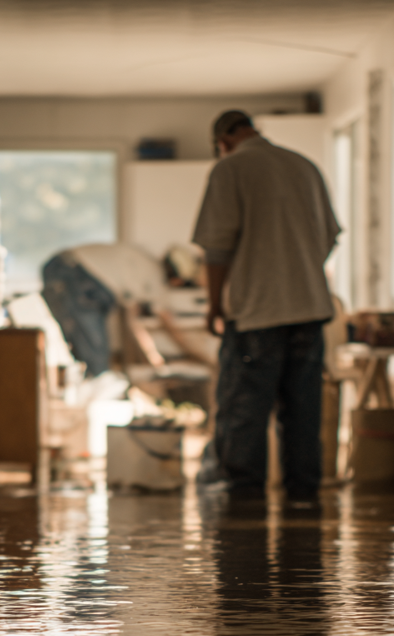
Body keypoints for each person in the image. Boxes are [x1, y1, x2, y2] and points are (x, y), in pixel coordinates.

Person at [192, 109, 341, 504]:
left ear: (222, 141)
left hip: (256, 312)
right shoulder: (304, 166)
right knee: (303, 410)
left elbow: (217, 248)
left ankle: (244, 501)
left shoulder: (230, 169)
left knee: (244, 411)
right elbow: (328, 239)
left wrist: (213, 305)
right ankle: (303, 497)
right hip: (308, 308)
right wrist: (296, 274)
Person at [42, 242, 168, 376]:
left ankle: (85, 387)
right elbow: (140, 323)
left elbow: (132, 322)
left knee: (70, 345)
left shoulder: (143, 262)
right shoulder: (156, 278)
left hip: (56, 266)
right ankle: (98, 385)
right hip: (78, 273)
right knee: (96, 352)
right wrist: (153, 356)